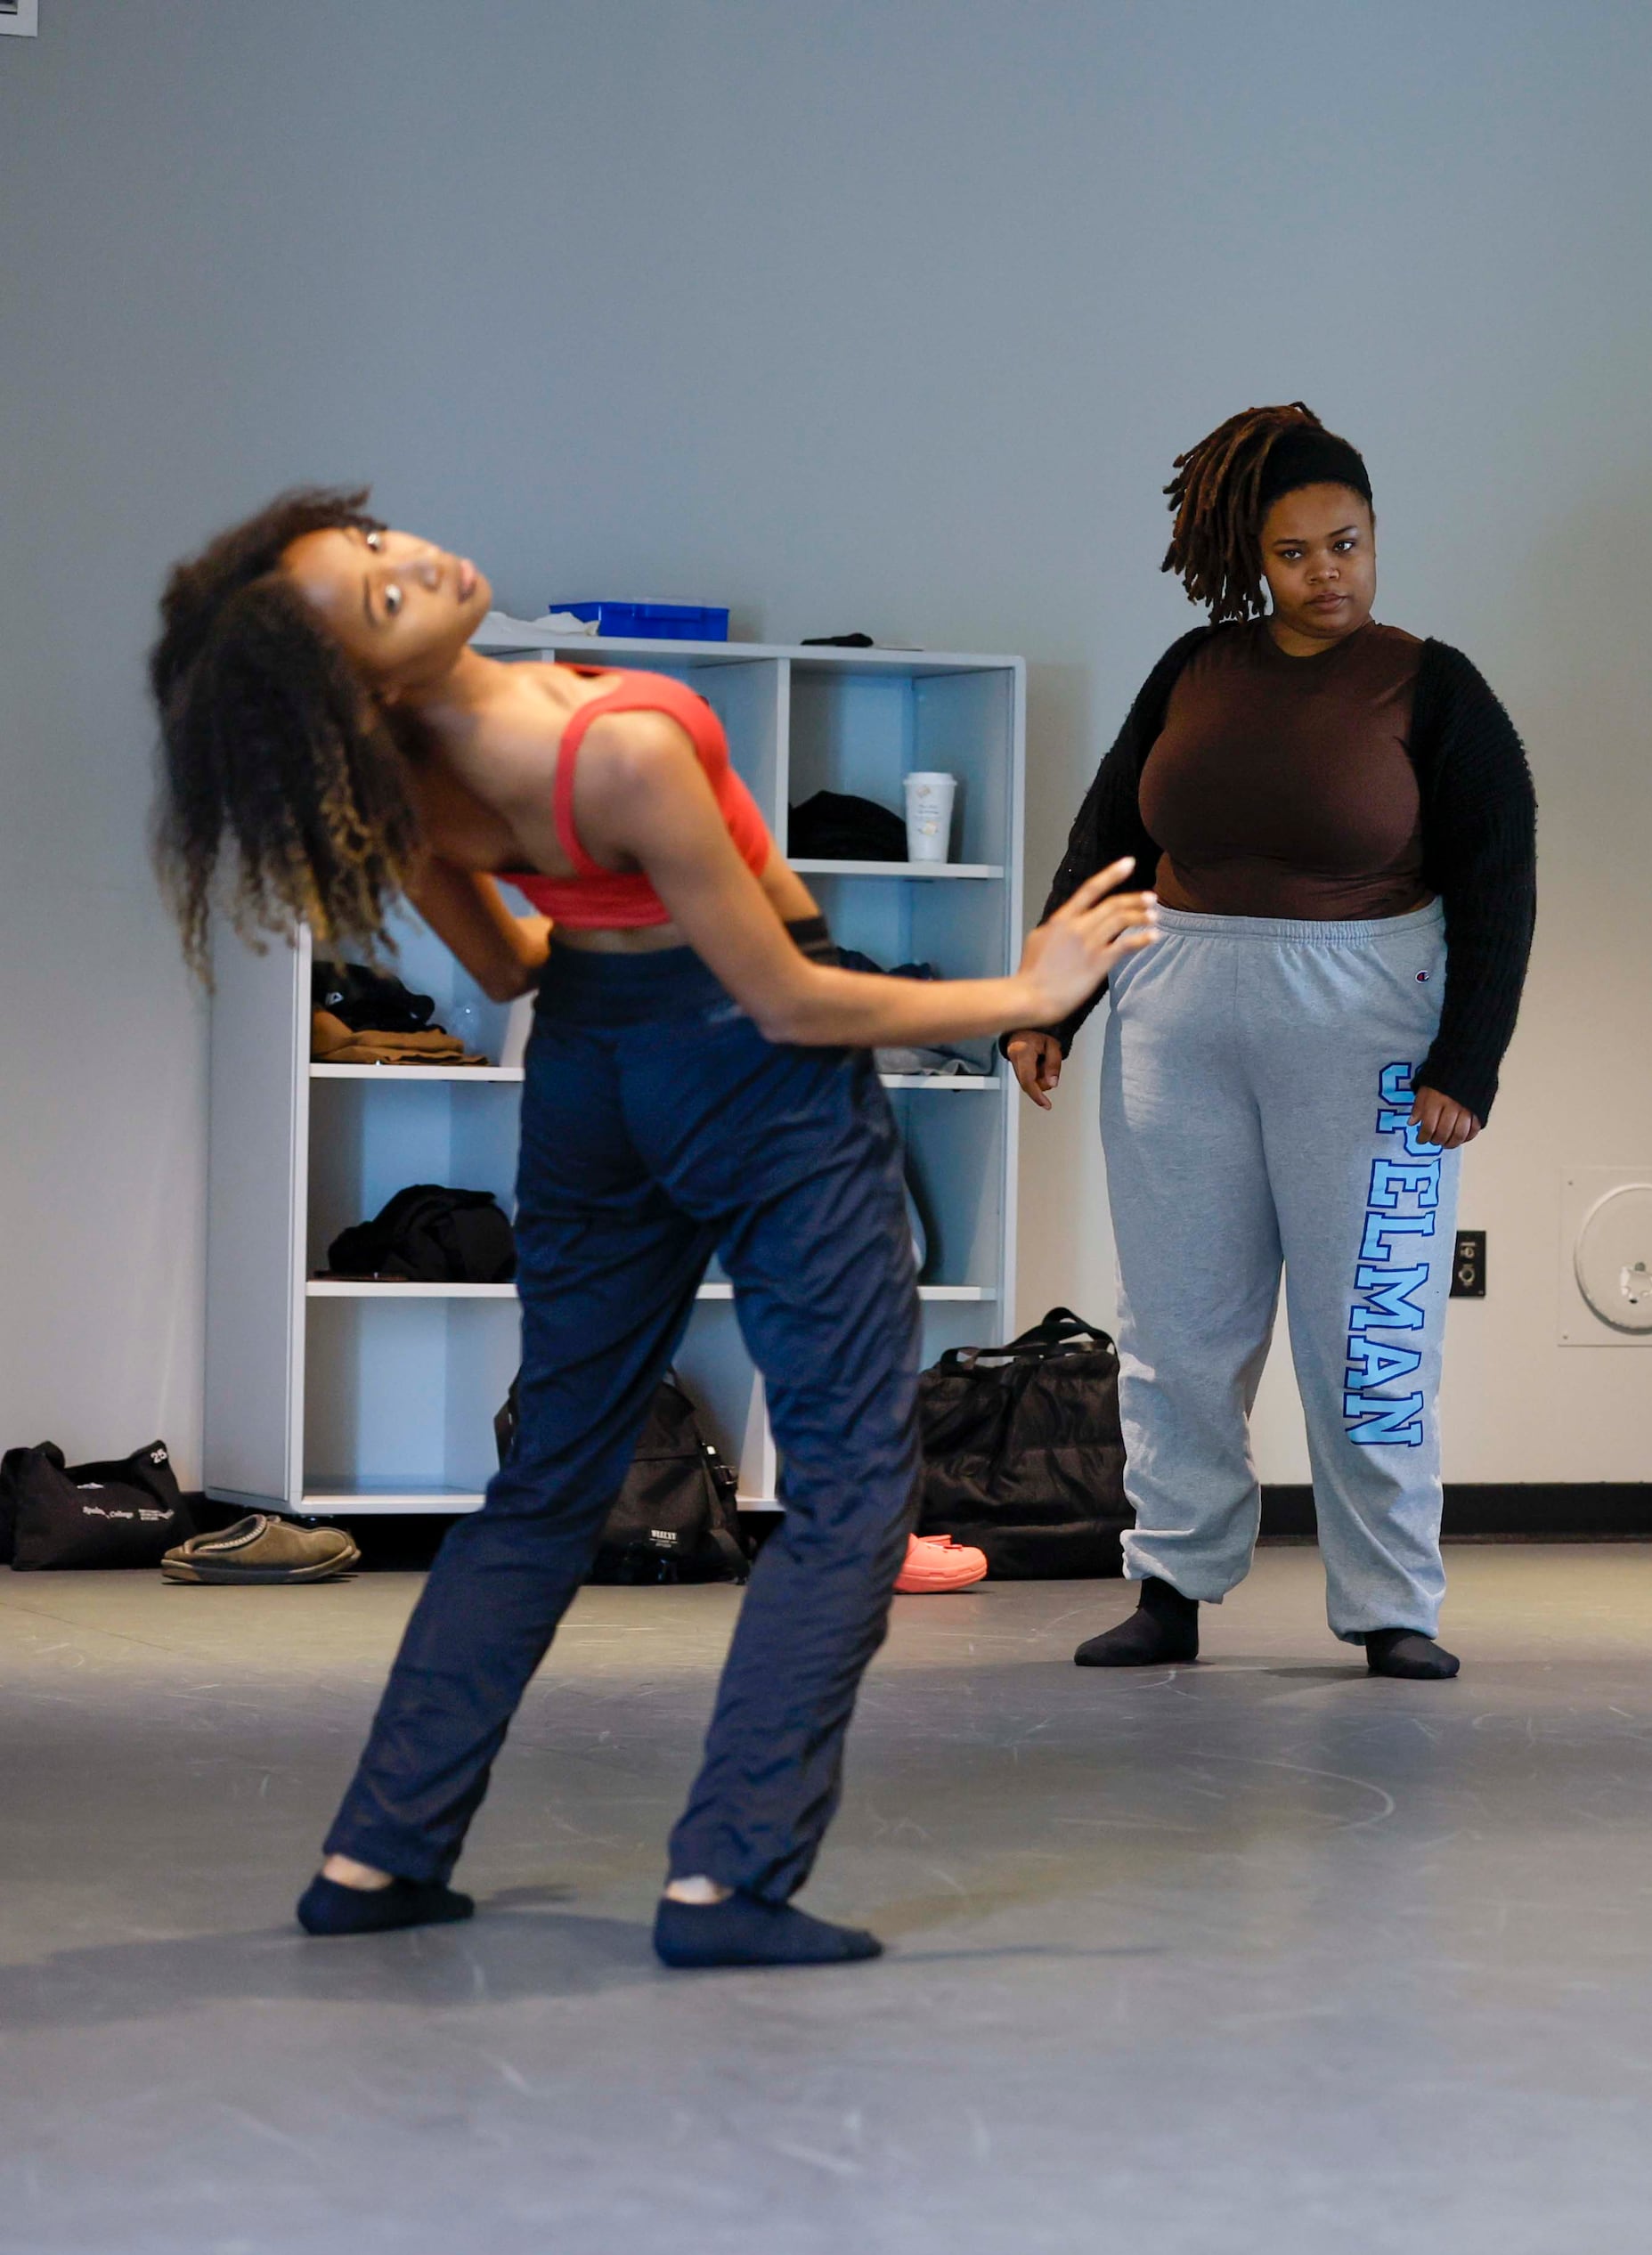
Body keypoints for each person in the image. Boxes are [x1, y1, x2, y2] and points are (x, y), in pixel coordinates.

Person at [150, 489, 1157, 1967]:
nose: (412, 564)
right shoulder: (616, 744)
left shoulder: (414, 785)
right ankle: (728, 1883)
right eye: (378, 601)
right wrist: (1030, 991)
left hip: (590, 1068)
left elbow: (506, 964)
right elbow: (794, 1003)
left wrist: (628, 965)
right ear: (365, 683)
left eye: (374, 548)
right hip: (750, 1069)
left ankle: (375, 1858)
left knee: (547, 1478)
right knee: (853, 1491)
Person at [1007, 405, 1534, 1681]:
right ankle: (1171, 1588)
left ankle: (1393, 1604)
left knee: (1372, 1334)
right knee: (1179, 1328)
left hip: (1367, 1031)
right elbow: (1108, 845)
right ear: (1254, 560)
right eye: (1295, 554)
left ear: (1375, 536)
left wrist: (1469, 1062)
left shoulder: (1435, 685)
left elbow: (1500, 882)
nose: (1326, 574)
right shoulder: (1195, 671)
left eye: (1345, 543)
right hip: (1175, 1021)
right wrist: (1051, 1000)